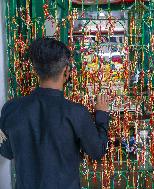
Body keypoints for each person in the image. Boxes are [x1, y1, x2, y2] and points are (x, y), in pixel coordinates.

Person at [0, 38, 110, 189]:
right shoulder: (76, 113)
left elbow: (7, 151)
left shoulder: (11, 108)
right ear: (66, 70)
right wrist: (101, 115)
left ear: (35, 70)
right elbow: (97, 151)